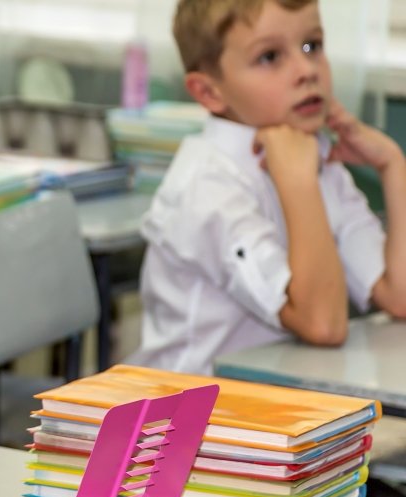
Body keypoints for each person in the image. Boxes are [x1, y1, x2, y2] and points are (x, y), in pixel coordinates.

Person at [129, 0, 406, 376]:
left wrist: (392, 165)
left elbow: (399, 295)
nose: (306, 71)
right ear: (210, 93)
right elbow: (322, 324)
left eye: (312, 45)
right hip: (189, 419)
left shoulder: (314, 154)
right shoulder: (207, 188)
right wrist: (298, 182)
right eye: (270, 57)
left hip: (277, 404)